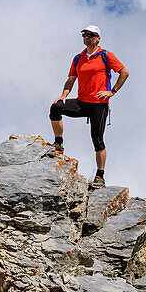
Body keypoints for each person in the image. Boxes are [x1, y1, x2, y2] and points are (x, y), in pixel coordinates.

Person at [50, 24, 129, 188]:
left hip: (99, 105)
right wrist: (64, 95)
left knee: (97, 140)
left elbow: (124, 73)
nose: (87, 37)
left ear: (98, 38)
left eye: (91, 35)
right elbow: (71, 78)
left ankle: (100, 176)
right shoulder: (78, 58)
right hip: (82, 102)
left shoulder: (105, 55)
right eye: (84, 35)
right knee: (56, 107)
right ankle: (59, 143)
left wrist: (111, 91)